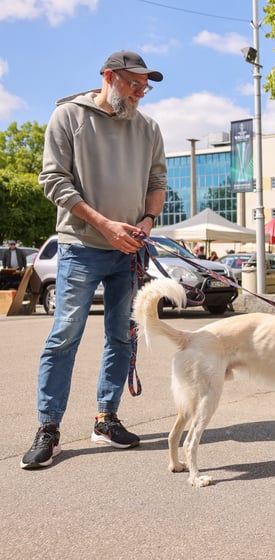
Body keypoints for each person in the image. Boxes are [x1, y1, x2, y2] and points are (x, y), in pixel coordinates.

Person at [21, 50, 166, 469]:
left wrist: (147, 220)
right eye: (133, 84)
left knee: (122, 336)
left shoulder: (149, 128)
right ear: (108, 77)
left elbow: (157, 181)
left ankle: (106, 418)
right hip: (80, 246)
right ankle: (49, 428)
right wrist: (105, 225)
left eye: (145, 88)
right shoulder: (68, 117)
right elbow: (53, 180)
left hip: (130, 250)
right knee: (64, 334)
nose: (140, 94)